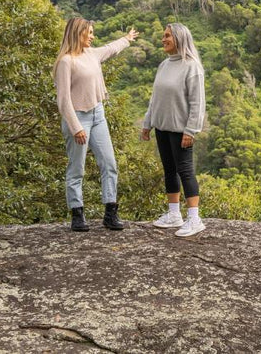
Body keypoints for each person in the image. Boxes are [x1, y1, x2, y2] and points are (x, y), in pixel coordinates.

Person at [53, 17, 138, 232]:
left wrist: (127, 39)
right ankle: (77, 212)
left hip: (97, 114)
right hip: (78, 118)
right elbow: (63, 100)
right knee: (77, 168)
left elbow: (111, 49)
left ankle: (110, 212)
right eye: (88, 33)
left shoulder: (91, 54)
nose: (92, 37)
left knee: (109, 163)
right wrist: (76, 127)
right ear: (77, 33)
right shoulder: (66, 61)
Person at [141, 23, 207, 238]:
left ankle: (195, 219)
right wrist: (147, 123)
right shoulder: (164, 65)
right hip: (162, 127)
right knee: (169, 170)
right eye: (163, 36)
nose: (163, 39)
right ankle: (173, 215)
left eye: (167, 35)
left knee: (185, 171)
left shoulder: (192, 66)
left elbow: (198, 102)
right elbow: (155, 98)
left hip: (181, 130)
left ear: (179, 38)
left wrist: (191, 130)